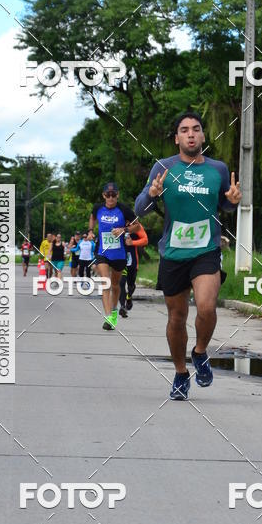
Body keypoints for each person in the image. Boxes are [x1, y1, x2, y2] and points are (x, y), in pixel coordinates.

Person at [134, 111, 241, 400]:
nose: (191, 134)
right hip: (173, 251)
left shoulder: (218, 169)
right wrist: (152, 194)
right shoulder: (163, 167)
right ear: (177, 138)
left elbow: (224, 205)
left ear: (203, 136)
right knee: (177, 317)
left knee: (206, 306)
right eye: (185, 130)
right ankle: (181, 373)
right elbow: (139, 209)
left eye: (196, 129)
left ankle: (200, 352)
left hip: (206, 249)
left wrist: (231, 203)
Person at [89, 183, 136, 330]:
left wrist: (124, 229)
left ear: (117, 195)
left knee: (116, 285)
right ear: (103, 196)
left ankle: (114, 311)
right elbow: (92, 217)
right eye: (107, 195)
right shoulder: (98, 208)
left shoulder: (124, 210)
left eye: (113, 195)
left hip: (119, 254)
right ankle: (108, 317)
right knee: (105, 283)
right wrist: (90, 231)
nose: (110, 198)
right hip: (103, 252)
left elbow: (138, 226)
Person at [119, 222, 148, 317]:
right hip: (120, 258)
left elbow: (145, 240)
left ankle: (129, 296)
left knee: (131, 284)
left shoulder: (136, 225)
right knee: (121, 283)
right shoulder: (118, 223)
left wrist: (132, 243)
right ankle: (122, 307)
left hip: (132, 260)